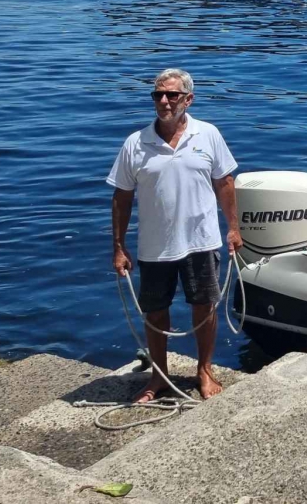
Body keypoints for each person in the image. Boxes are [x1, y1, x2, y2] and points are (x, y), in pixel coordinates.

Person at [108, 68, 241, 401]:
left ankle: (205, 372)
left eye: (172, 95)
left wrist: (234, 229)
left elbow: (225, 183)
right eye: (158, 95)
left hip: (202, 239)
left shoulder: (208, 134)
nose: (164, 101)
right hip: (156, 246)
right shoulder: (135, 144)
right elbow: (122, 197)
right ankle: (158, 377)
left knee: (205, 307)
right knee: (155, 312)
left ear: (188, 99)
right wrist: (118, 247)